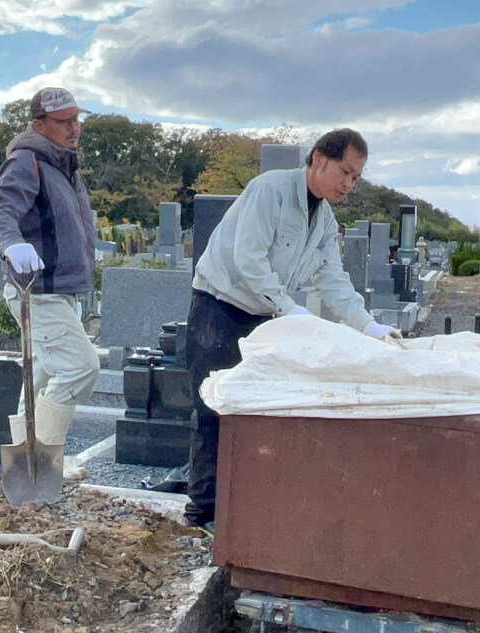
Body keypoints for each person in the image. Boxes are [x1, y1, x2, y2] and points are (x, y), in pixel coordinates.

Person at [185, 128, 401, 529]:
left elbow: (333, 279)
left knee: (254, 410)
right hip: (219, 307)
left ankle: (239, 509)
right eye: (345, 172)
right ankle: (202, 514)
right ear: (319, 159)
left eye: (356, 177)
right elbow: (248, 259)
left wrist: (368, 326)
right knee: (213, 409)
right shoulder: (270, 191)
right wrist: (289, 309)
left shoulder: (324, 220)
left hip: (265, 315)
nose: (349, 185)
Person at [0, 87, 100, 453]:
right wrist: (10, 245)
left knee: (38, 382)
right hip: (37, 292)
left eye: (75, 119)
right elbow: (2, 213)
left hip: (61, 292)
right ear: (39, 124)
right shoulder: (26, 161)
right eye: (63, 121)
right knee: (81, 368)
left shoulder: (65, 168)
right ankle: (42, 461)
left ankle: (25, 473)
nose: (73, 128)